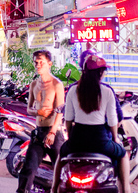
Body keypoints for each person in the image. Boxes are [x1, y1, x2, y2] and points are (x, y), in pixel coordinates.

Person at [52, 56, 130, 193]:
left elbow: (68, 120)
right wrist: (115, 138)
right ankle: (126, 189)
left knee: (61, 155)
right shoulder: (107, 91)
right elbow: (113, 121)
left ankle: (53, 188)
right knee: (123, 154)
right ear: (100, 73)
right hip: (100, 141)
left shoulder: (73, 90)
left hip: (77, 139)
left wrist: (70, 138)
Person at [18, 50, 65, 193]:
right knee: (29, 168)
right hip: (38, 133)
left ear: (49, 64)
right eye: (36, 63)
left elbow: (60, 110)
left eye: (41, 63)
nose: (38, 65)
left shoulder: (57, 84)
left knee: (62, 169)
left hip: (53, 133)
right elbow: (29, 109)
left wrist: (52, 132)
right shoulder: (34, 85)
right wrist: (38, 112)